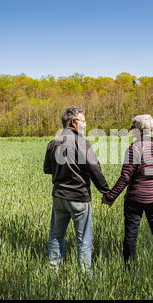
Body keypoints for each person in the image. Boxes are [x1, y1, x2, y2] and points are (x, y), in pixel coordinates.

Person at [44, 106, 110, 274]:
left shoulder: (53, 143)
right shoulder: (81, 143)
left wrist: (63, 170)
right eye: (83, 121)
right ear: (73, 122)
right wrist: (105, 191)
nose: (85, 124)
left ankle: (53, 271)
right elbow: (95, 169)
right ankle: (85, 276)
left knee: (56, 236)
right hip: (79, 196)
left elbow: (47, 169)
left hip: (59, 196)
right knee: (84, 239)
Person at [102, 114, 153, 266]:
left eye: (132, 127)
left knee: (131, 234)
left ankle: (129, 269)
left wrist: (110, 196)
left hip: (135, 199)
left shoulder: (133, 149)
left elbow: (125, 177)